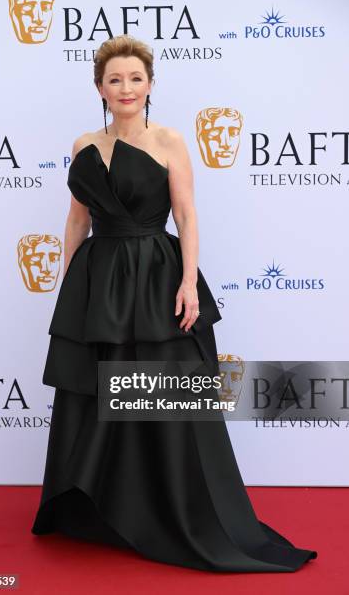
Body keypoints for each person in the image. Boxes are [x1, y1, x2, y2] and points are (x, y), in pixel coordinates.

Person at [31, 34, 317, 572]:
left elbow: (185, 216)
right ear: (99, 87)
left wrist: (188, 283)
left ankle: (177, 511)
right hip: (101, 278)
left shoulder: (169, 141)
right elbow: (77, 219)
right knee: (99, 394)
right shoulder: (83, 145)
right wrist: (71, 283)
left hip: (156, 274)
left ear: (150, 85)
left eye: (135, 78)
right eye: (115, 79)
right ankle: (101, 509)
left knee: (166, 396)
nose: (126, 87)